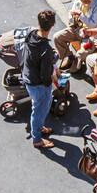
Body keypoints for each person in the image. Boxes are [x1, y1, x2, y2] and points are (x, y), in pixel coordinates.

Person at [22, 9, 60, 150]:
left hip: (28, 77)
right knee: (38, 111)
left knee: (39, 107)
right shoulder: (45, 49)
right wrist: (53, 59)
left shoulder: (32, 34)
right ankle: (37, 139)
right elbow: (45, 74)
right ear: (52, 25)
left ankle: (39, 127)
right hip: (38, 84)